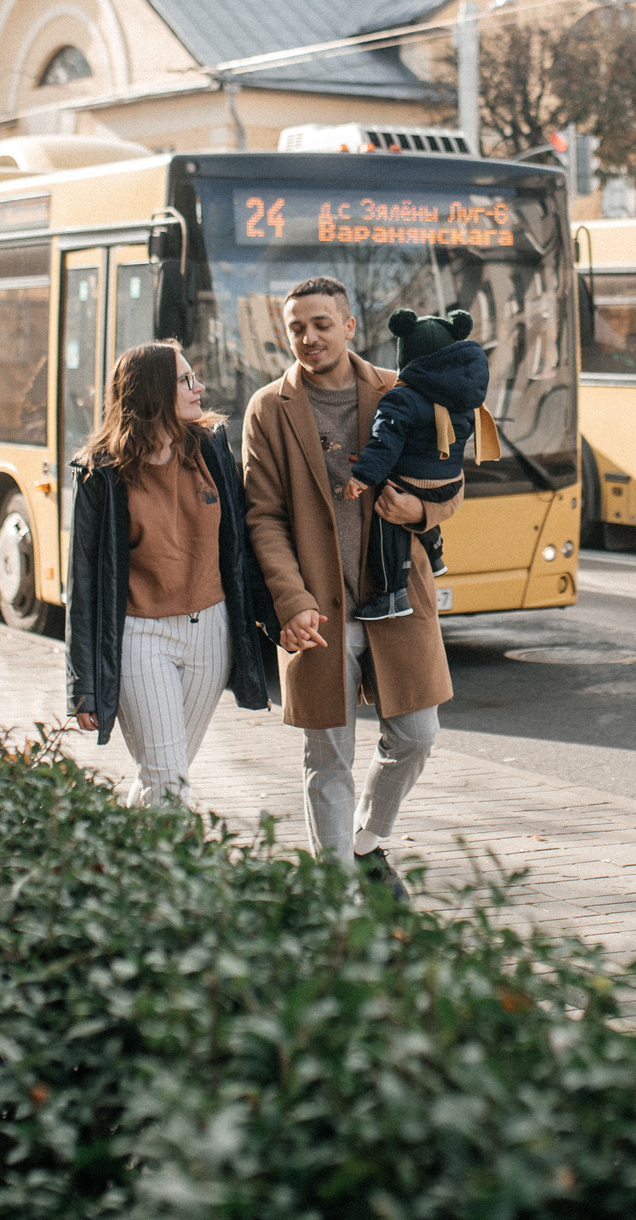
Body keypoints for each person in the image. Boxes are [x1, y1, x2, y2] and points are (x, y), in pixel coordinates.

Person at [243, 276, 462, 897]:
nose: (308, 337)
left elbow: (450, 486)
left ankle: (366, 840)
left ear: (348, 326)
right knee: (327, 757)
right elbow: (263, 514)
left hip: (397, 601)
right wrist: (291, 598)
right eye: (296, 328)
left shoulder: (400, 391)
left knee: (417, 736)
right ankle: (334, 887)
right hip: (315, 611)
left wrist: (417, 515)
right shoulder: (268, 409)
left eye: (319, 324)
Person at [66, 341, 275, 808]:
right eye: (185, 380)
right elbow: (83, 586)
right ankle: (174, 879)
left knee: (165, 775)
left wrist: (277, 617)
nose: (199, 387)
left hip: (211, 634)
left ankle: (120, 866)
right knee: (168, 780)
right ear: (154, 392)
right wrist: (81, 685)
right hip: (142, 636)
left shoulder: (211, 448)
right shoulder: (100, 474)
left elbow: (242, 544)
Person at [343, 307, 489, 621]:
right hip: (448, 481)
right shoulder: (462, 397)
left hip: (415, 481)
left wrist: (363, 476)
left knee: (387, 514)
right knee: (409, 489)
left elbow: (384, 443)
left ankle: (391, 595)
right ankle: (435, 552)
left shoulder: (401, 398)